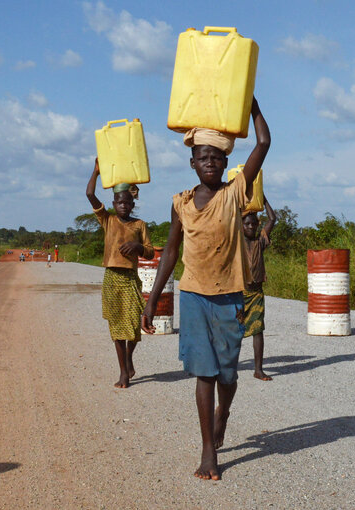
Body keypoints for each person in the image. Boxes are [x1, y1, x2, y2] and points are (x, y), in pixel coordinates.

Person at [142, 98, 269, 481]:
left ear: (225, 163)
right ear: (192, 162)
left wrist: (250, 102)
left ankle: (223, 414)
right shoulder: (180, 203)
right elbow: (169, 254)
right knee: (205, 374)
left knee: (228, 376)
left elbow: (262, 143)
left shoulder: (234, 195)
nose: (210, 162)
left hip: (231, 296)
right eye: (203, 157)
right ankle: (208, 450)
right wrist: (152, 300)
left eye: (217, 157)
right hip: (195, 296)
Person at [87, 159, 155, 388]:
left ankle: (128, 357)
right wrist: (96, 172)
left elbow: (149, 251)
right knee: (117, 326)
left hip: (129, 279)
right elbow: (89, 194)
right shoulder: (107, 220)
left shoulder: (139, 225)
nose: (123, 206)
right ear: (114, 203)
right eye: (119, 202)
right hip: (112, 278)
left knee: (134, 326)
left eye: (127, 202)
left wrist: (137, 247)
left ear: (132, 203)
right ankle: (123, 372)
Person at [242, 197, 277, 381]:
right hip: (238, 293)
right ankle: (228, 366)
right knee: (233, 331)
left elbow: (272, 219)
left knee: (258, 330)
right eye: (247, 224)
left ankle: (258, 369)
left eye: (254, 224)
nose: (251, 227)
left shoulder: (260, 242)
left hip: (256, 293)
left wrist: (262, 200)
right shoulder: (235, 244)